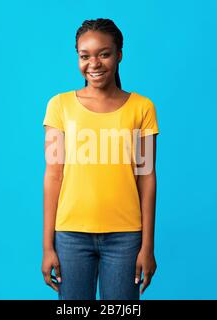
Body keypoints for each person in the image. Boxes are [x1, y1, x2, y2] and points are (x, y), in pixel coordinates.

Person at [41, 18, 159, 300]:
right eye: (85, 56)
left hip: (126, 237)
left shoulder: (142, 108)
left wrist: (147, 247)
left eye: (104, 54)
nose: (94, 63)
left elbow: (146, 177)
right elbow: (53, 175)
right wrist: (48, 246)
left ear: (119, 54)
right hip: (70, 236)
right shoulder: (60, 106)